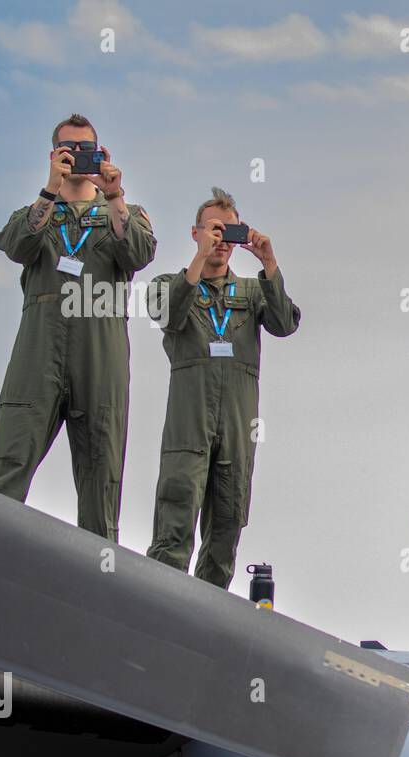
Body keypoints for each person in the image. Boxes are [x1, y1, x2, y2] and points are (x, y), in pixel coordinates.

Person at [0, 114, 156, 540]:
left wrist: (115, 195)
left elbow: (138, 253)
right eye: (68, 148)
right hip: (39, 348)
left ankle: (97, 586)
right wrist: (50, 189)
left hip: (100, 348)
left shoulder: (127, 212)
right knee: (9, 462)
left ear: (102, 154)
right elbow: (16, 245)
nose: (77, 156)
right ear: (53, 155)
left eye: (86, 149)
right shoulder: (36, 213)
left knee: (102, 479)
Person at [145, 188, 301, 589]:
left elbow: (285, 324)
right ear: (195, 233)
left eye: (228, 233)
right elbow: (168, 315)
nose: (220, 241)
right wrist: (199, 260)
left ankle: (207, 617)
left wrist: (269, 265)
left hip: (237, 426)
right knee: (176, 517)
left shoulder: (252, 291)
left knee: (227, 525)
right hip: (189, 424)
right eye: (213, 230)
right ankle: (160, 606)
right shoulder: (169, 284)